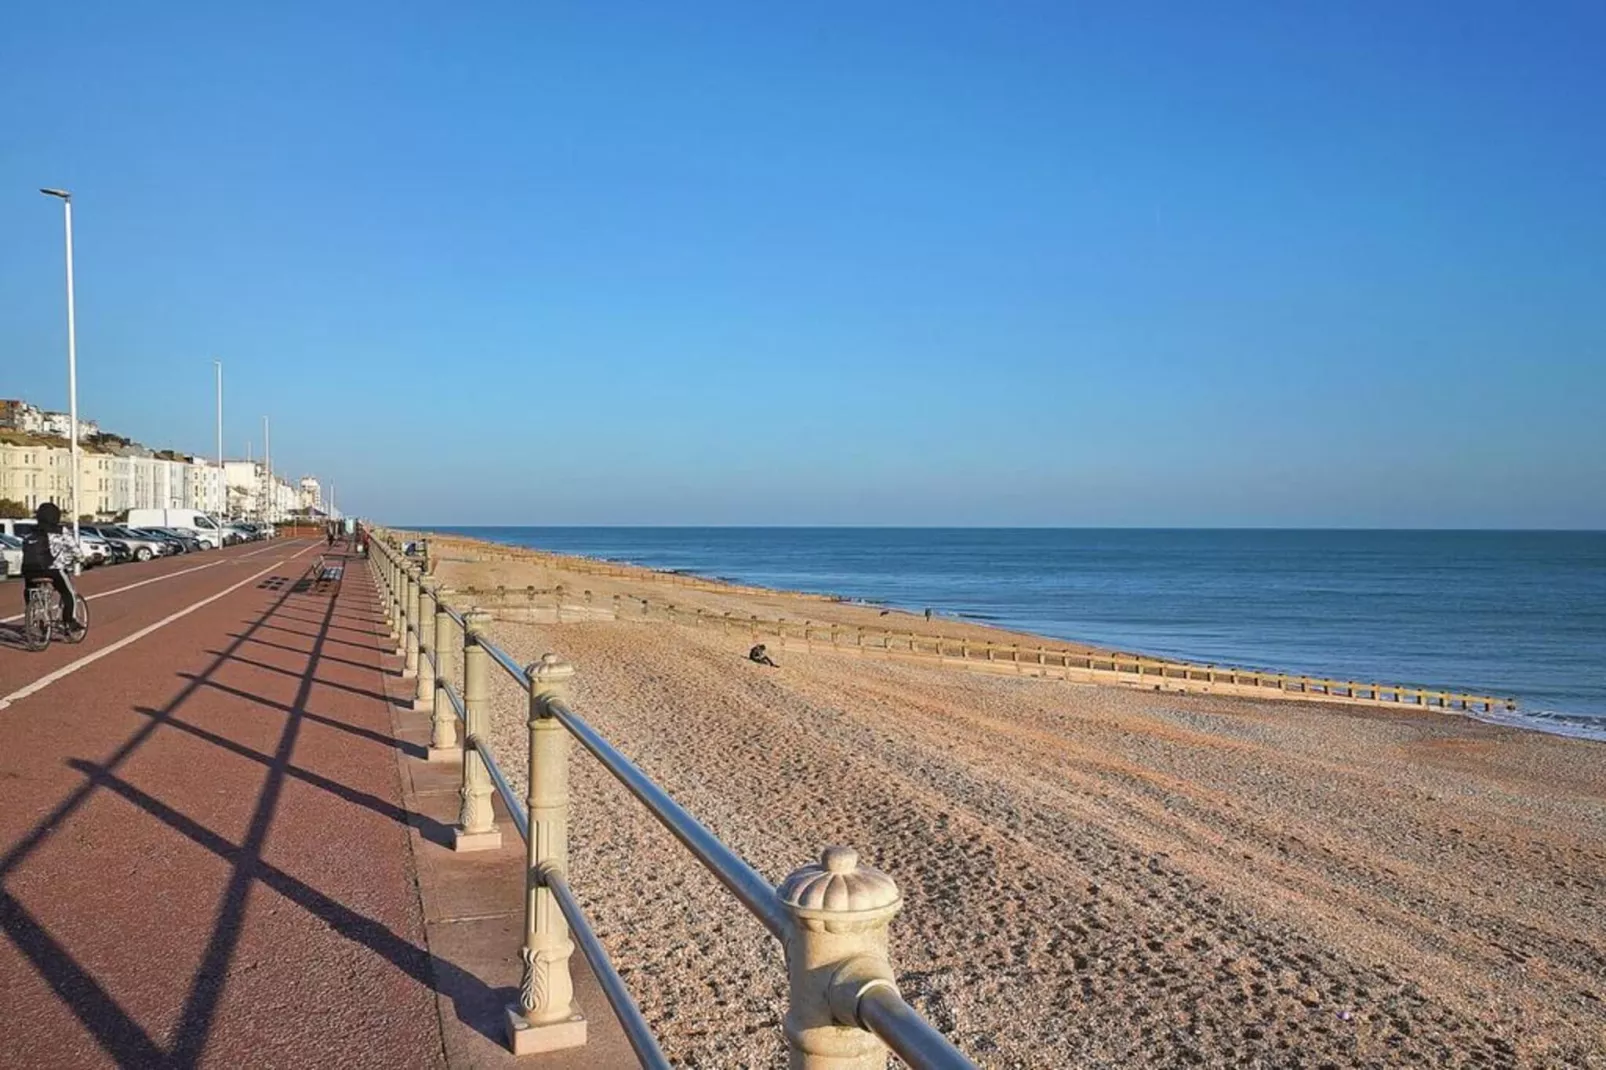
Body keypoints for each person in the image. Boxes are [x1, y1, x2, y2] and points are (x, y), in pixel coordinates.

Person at [20, 502, 83, 634]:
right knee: (68, 593)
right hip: (53, 569)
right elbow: (75, 549)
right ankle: (69, 622)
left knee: (30, 591)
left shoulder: (31, 532)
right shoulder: (61, 531)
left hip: (30, 569)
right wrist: (81, 558)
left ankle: (33, 616)